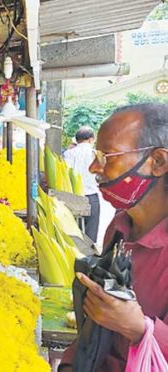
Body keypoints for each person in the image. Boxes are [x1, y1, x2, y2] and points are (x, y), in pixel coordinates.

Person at [59, 103, 168, 371]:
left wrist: (138, 328)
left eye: (107, 156)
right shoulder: (119, 227)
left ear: (158, 162)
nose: (95, 167)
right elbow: (96, 324)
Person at [63, 126, 100, 242]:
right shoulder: (96, 154)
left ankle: (75, 255)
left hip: (73, 196)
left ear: (77, 140)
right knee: (90, 232)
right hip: (91, 196)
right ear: (91, 139)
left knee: (74, 231)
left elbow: (65, 173)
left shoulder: (69, 153)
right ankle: (88, 256)